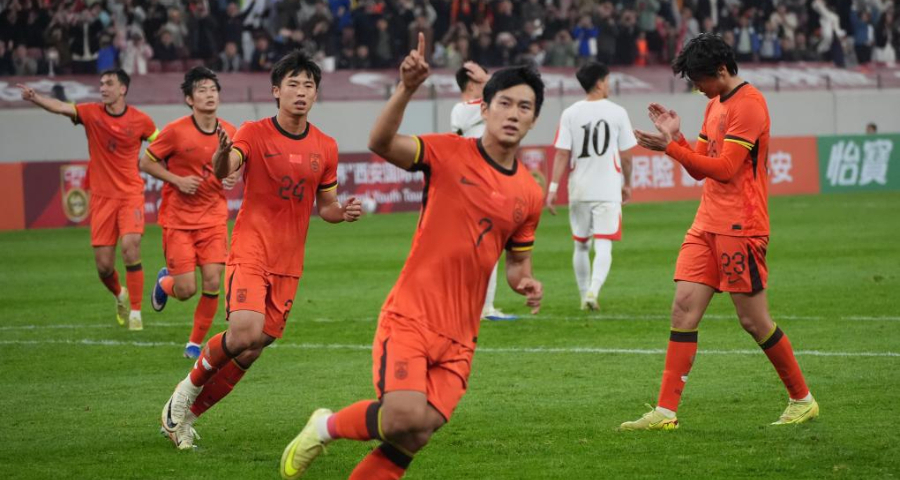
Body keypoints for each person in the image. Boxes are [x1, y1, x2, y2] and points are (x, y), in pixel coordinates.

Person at [280, 33, 545, 480]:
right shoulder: (448, 152)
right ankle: (324, 426)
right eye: (504, 103)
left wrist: (525, 283)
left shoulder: (529, 193)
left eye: (524, 107)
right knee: (402, 416)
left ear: (534, 119)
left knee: (416, 433)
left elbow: (518, 264)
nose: (513, 114)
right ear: (484, 109)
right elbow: (381, 142)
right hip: (412, 317)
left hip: (461, 337)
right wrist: (406, 88)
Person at [159, 51, 363, 450]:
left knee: (254, 348)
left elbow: (326, 207)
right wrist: (222, 154)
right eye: (293, 84)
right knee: (244, 332)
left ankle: (185, 419)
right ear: (275, 91)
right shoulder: (252, 132)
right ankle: (182, 395)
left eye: (308, 85)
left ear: (316, 94)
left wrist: (343, 212)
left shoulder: (326, 146)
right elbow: (226, 167)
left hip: (289, 261)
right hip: (251, 249)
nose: (301, 92)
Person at [621, 33, 818, 431]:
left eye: (700, 81)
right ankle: (665, 412)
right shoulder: (715, 104)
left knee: (754, 321)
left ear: (723, 70)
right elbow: (700, 167)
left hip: (740, 226)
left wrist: (668, 148)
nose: (698, 89)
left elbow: (726, 169)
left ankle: (802, 399)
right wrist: (675, 138)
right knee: (683, 309)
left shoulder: (749, 105)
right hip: (707, 223)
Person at [18, 69, 157, 330]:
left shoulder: (141, 120)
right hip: (102, 198)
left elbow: (161, 142)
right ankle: (120, 294)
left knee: (131, 247)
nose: (103, 88)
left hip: (131, 195)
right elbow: (61, 107)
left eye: (109, 83)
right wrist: (36, 98)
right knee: (104, 267)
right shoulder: (91, 113)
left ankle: (136, 313)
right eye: (101, 83)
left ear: (123, 89)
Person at [139, 67, 240, 359]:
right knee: (185, 290)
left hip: (213, 218)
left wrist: (232, 176)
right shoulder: (175, 131)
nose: (209, 95)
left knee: (213, 281)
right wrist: (177, 180)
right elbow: (146, 163)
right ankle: (164, 282)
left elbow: (235, 165)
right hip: (178, 219)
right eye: (202, 90)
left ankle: (194, 344)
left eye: (213, 90)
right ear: (189, 99)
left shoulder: (230, 131)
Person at [546, 62, 636, 311]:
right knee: (604, 243)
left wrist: (552, 188)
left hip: (579, 189)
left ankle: (582, 294)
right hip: (607, 188)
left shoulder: (570, 113)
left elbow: (562, 154)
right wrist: (627, 184)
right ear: (599, 83)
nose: (609, 85)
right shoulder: (617, 112)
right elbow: (627, 157)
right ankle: (593, 292)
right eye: (607, 80)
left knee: (581, 244)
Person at [450, 61, 517, 321]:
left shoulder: (475, 111)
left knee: (485, 245)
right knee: (486, 244)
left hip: (479, 183)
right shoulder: (465, 109)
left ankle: (479, 305)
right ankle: (482, 307)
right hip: (477, 184)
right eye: (480, 80)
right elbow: (505, 97)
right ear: (471, 84)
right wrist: (489, 79)